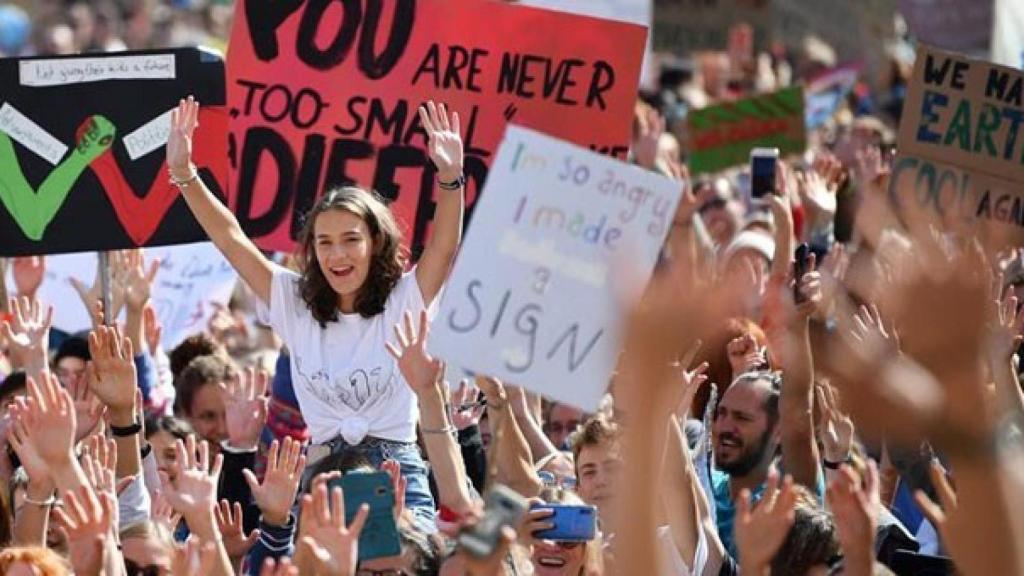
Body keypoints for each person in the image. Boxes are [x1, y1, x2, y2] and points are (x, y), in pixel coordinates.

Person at [165, 96, 466, 528]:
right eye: (324, 242)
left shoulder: (405, 298)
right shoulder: (293, 301)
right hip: (323, 479)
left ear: (375, 243)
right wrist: (184, 174)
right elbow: (231, 239)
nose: (337, 254)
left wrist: (451, 178)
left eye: (350, 239)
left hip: (398, 475)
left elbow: (444, 247)